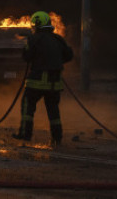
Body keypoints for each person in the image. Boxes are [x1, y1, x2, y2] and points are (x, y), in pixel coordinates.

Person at [14, 10, 74, 146]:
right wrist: (56, 61)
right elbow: (69, 55)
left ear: (37, 25)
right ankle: (57, 137)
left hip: (37, 82)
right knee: (53, 111)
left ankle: (25, 134)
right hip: (55, 84)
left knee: (27, 106)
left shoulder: (34, 39)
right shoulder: (58, 39)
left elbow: (26, 57)